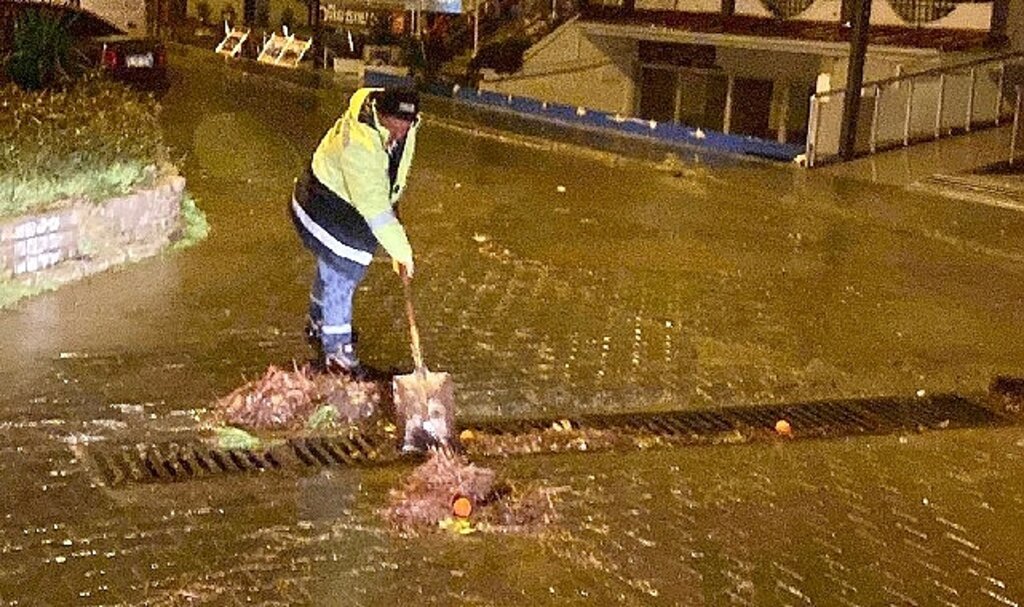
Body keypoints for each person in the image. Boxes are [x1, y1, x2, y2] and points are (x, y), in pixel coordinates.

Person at [290, 87, 420, 374]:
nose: (399, 134)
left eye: (405, 128)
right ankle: (337, 355)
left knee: (333, 261)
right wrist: (401, 251)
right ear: (380, 115)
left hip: (345, 198)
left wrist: (392, 200)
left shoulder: (400, 124)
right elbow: (374, 208)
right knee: (345, 265)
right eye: (394, 128)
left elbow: (388, 176)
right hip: (320, 201)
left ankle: (318, 323)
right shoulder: (359, 143)